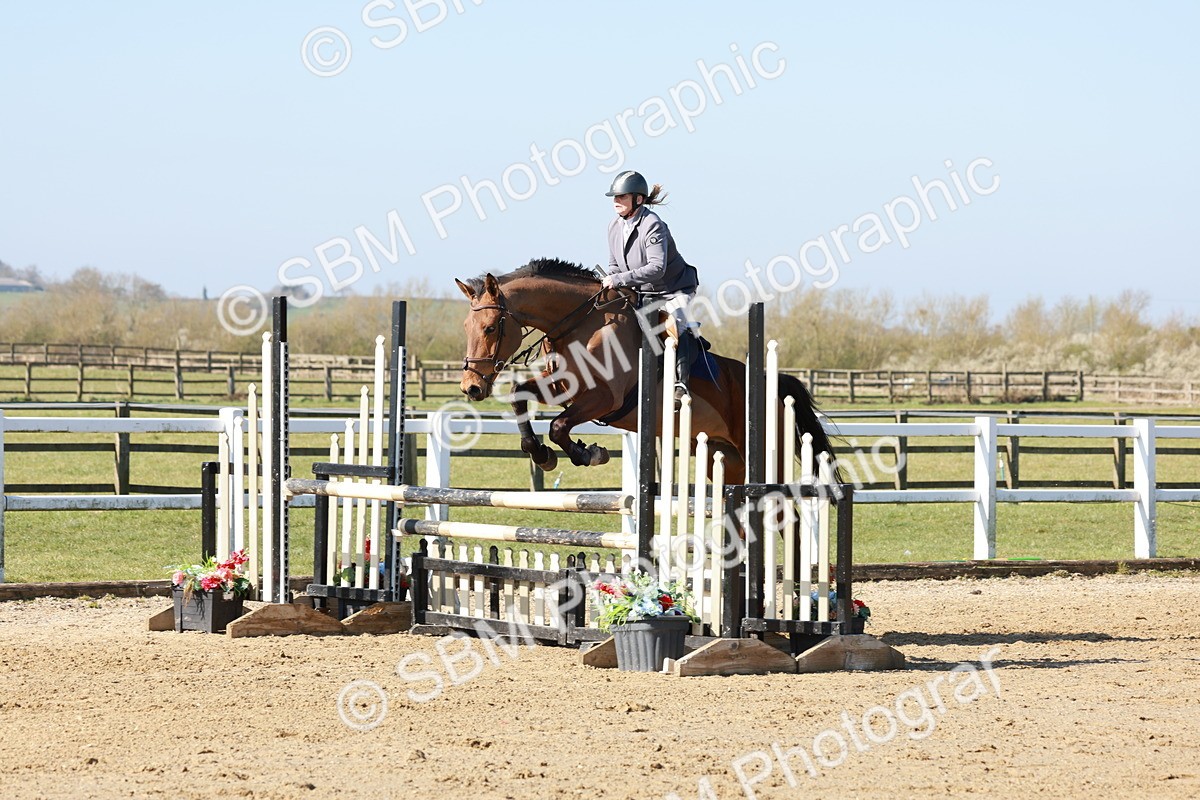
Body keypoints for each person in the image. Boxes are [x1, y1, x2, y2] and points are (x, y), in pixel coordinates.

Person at [600, 170, 700, 405]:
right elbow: (614, 265)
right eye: (615, 197)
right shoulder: (614, 226)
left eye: (622, 197)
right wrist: (612, 281)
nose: (616, 201)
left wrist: (619, 280)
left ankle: (680, 383)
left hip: (673, 289)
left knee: (676, 323)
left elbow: (657, 268)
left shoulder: (652, 224)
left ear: (638, 199)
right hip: (642, 290)